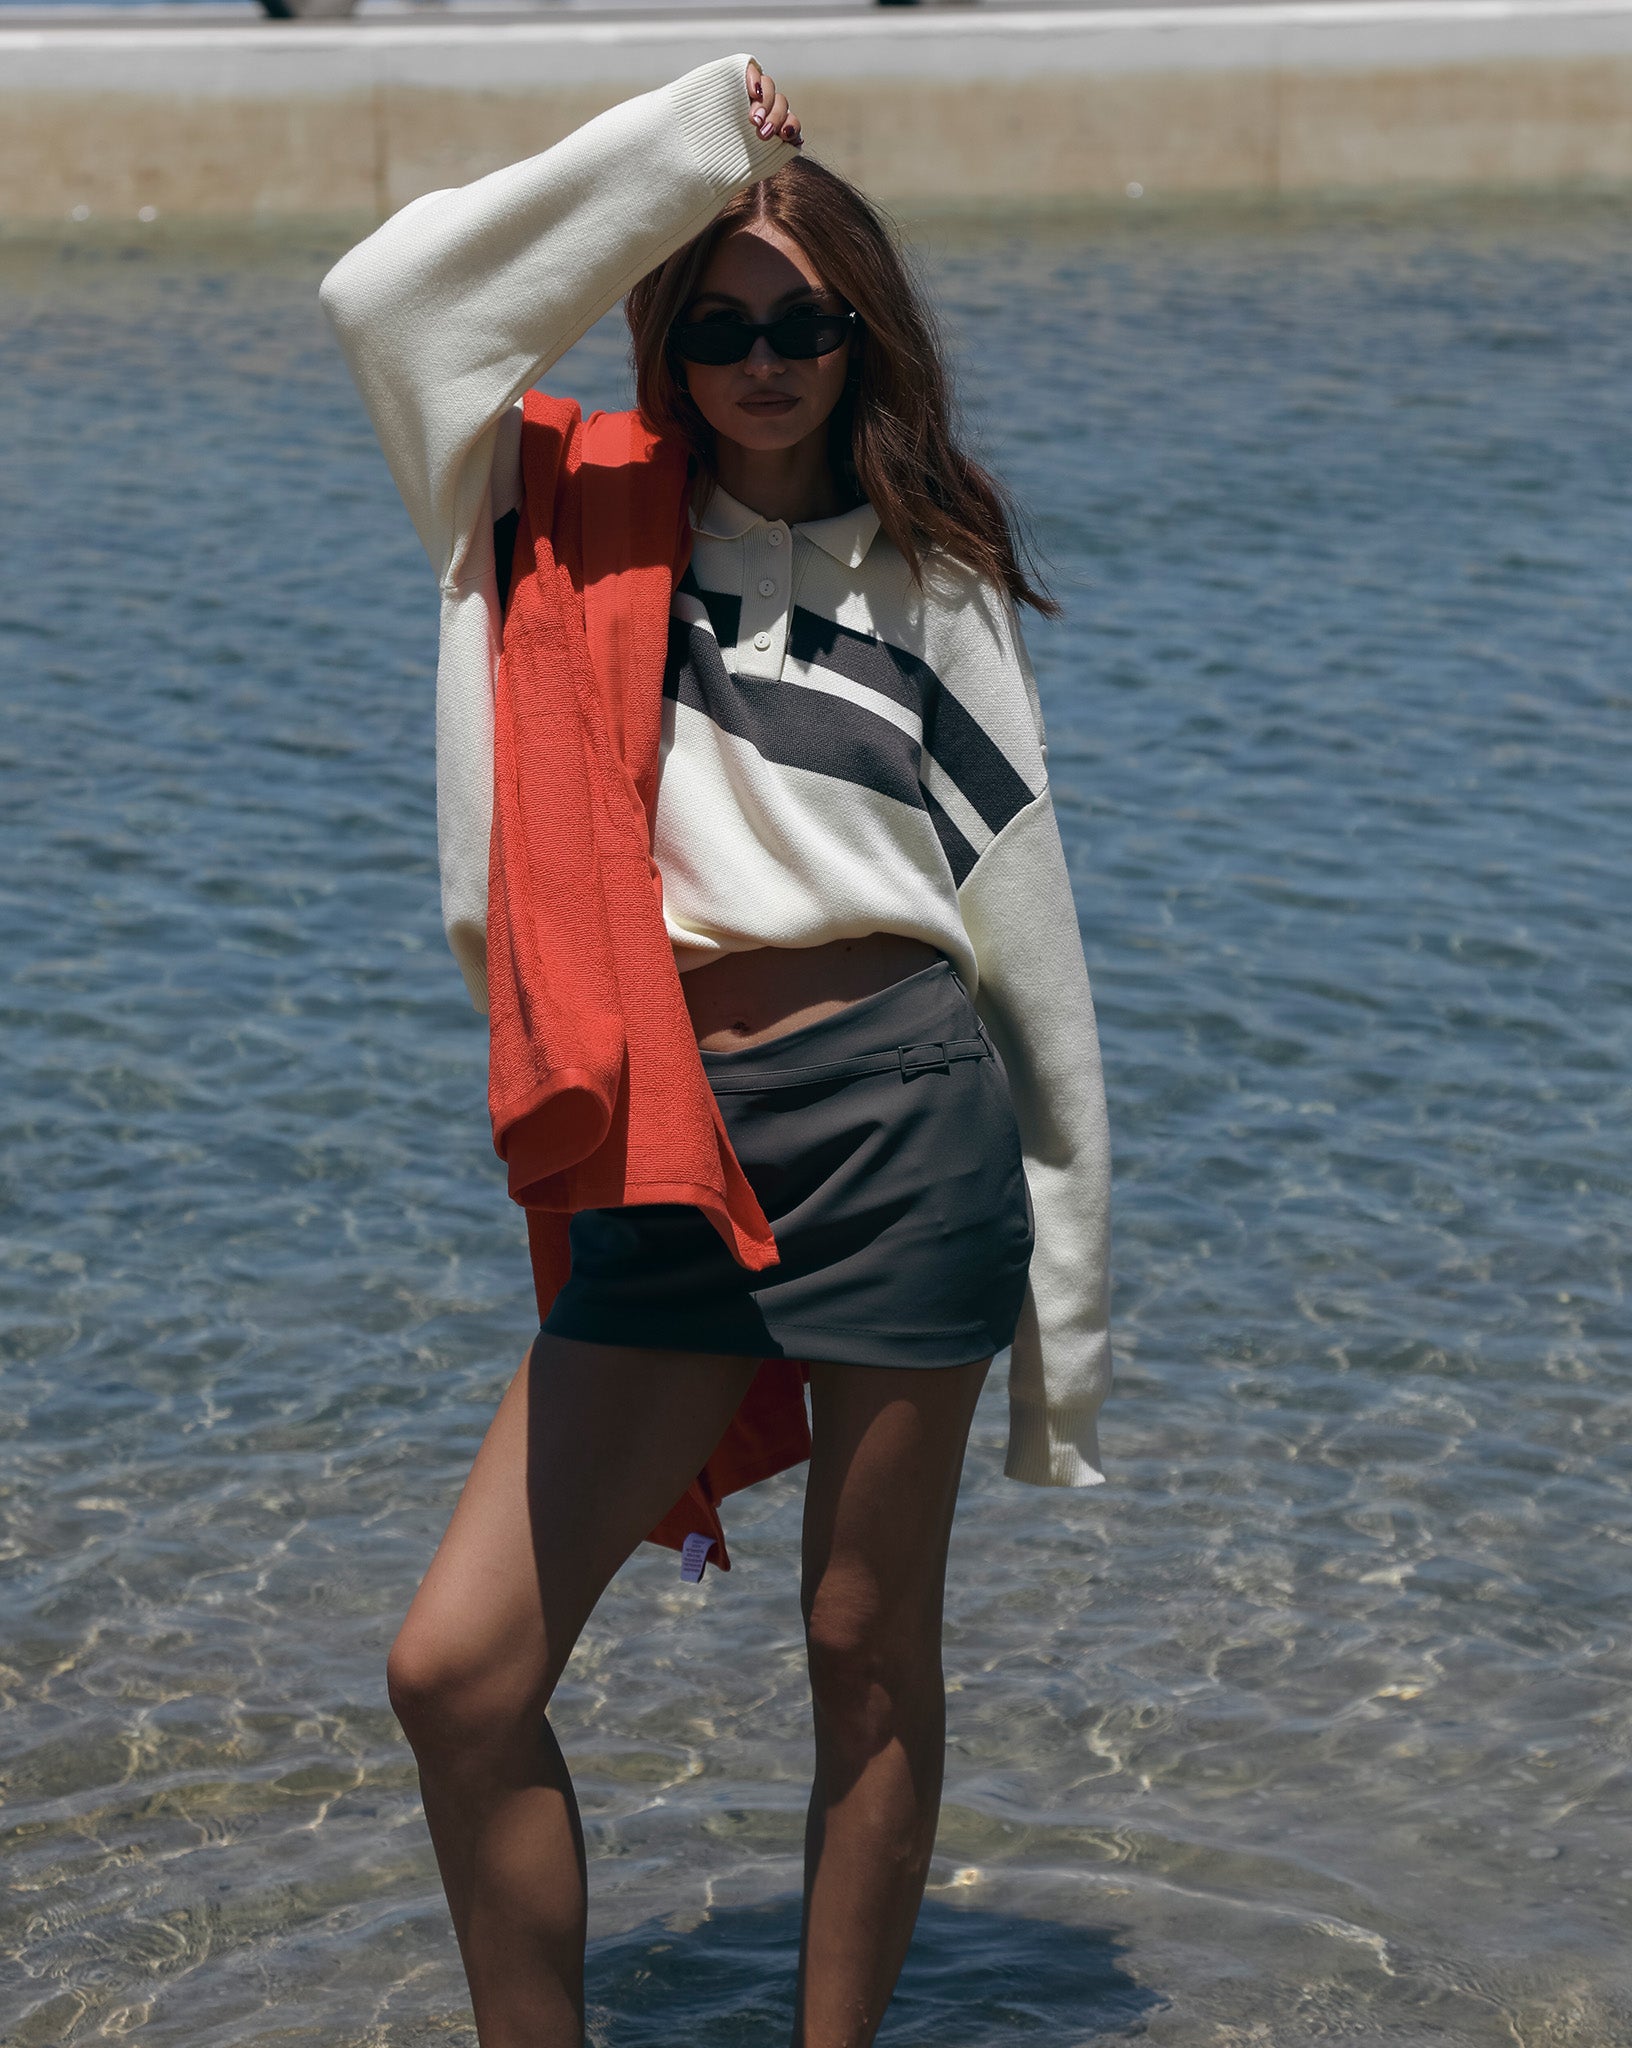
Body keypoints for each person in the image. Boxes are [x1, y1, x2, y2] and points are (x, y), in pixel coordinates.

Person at [320, 54, 1112, 2048]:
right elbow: (391, 301)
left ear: (862, 338)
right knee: (458, 1674)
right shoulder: (544, 507)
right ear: (663, 337)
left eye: (803, 326)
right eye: (721, 326)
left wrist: (1073, 1301)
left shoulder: (929, 579)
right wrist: (689, 150)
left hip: (908, 1130)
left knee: (862, 1644)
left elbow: (1029, 942)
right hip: (674, 1147)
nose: (766, 363)